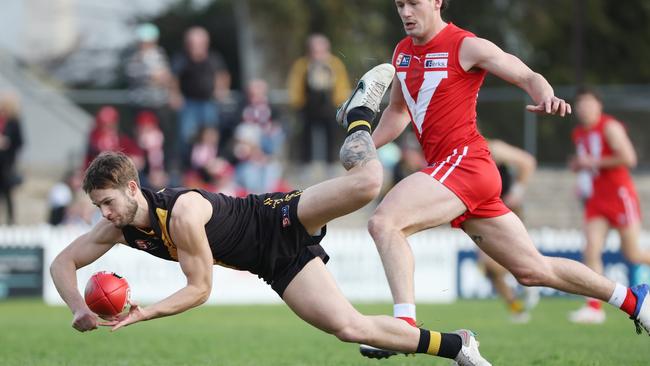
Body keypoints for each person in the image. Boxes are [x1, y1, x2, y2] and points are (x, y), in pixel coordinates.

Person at [49, 65, 490, 366]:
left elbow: (200, 289)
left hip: (275, 216)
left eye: (107, 202)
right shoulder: (117, 227)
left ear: (131, 188)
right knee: (350, 328)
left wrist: (143, 314)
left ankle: (357, 114)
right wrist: (76, 308)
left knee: (367, 184)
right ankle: (457, 346)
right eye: (97, 207)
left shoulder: (179, 213)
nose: (104, 214)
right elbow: (62, 262)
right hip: (272, 263)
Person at [357, 0, 649, 359]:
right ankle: (633, 300)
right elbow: (398, 112)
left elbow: (526, 75)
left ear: (437, 2)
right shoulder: (402, 53)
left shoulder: (466, 45)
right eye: (399, 4)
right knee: (533, 269)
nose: (405, 12)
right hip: (455, 173)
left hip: (465, 163)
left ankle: (403, 326)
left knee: (385, 222)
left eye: (414, 3)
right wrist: (364, 143)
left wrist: (544, 94)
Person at [568, 87, 650, 324]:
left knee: (632, 253)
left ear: (598, 106)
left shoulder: (609, 127)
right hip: (596, 199)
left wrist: (590, 162)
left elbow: (629, 158)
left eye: (589, 103)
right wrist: (580, 171)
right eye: (580, 104)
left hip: (620, 196)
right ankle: (594, 308)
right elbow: (588, 165)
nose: (584, 108)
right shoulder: (579, 133)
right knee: (591, 249)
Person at [481, 139, 538, 323]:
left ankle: (530, 275)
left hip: (504, 210)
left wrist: (517, 191)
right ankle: (517, 308)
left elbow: (527, 162)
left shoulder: (492, 148)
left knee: (501, 260)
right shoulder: (455, 154)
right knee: (490, 269)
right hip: (481, 215)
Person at [287, 34, 351, 176]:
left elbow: (342, 84)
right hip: (307, 107)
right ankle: (306, 165)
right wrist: (297, 103)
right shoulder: (302, 65)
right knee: (305, 136)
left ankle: (332, 164)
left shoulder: (335, 64)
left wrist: (341, 102)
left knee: (332, 136)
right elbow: (295, 85)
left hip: (329, 107)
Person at [172, 26, 230, 164]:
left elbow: (223, 75)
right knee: (187, 135)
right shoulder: (181, 59)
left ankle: (210, 164)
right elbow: (174, 78)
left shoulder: (214, 58)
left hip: (209, 102)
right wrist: (175, 95)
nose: (194, 46)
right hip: (189, 103)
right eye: (191, 43)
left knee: (211, 136)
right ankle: (189, 164)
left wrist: (221, 90)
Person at [0, 91, 24, 225]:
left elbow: (19, 142)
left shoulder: (14, 122)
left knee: (7, 193)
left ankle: (10, 221)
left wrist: (7, 142)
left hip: (7, 164)